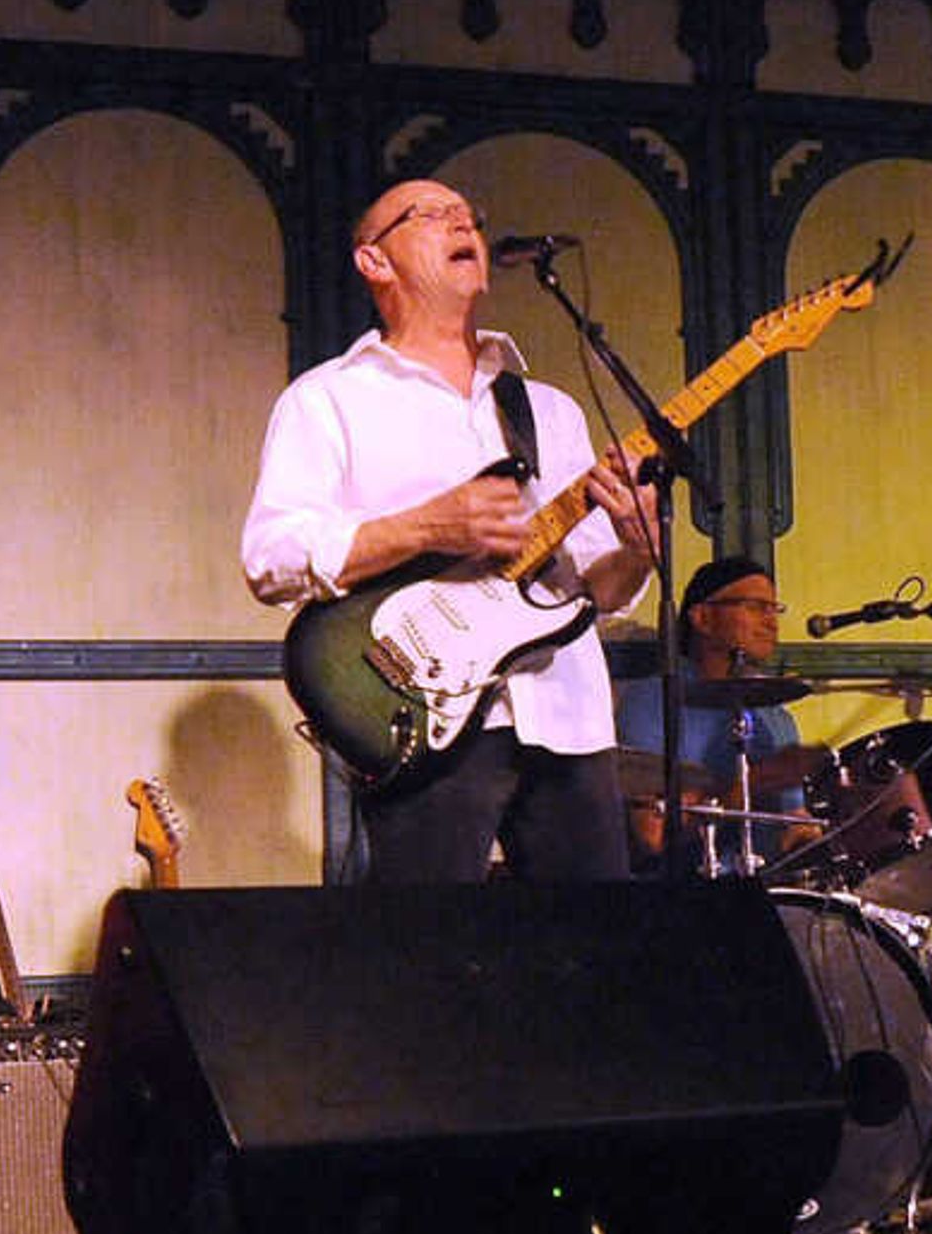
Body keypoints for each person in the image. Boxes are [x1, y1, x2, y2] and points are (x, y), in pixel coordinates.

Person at [243, 179, 661, 882]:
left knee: (599, 960)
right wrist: (428, 525)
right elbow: (272, 557)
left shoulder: (549, 408)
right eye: (433, 215)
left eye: (470, 214)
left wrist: (639, 550)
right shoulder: (329, 400)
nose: (463, 223)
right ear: (374, 262)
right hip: (424, 712)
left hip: (567, 715)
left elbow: (598, 591)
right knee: (427, 962)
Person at [614, 554, 827, 877]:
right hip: (682, 897)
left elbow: (792, 829)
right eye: (755, 607)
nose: (771, 622)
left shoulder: (777, 716)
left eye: (774, 609)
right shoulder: (652, 701)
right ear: (702, 618)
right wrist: (752, 783)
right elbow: (652, 837)